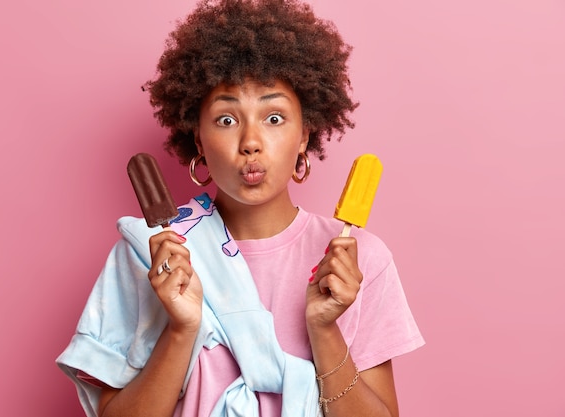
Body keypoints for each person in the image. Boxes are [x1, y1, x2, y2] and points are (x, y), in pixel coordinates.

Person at [57, 0, 424, 416]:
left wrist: (324, 332)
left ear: (304, 135)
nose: (250, 141)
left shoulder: (357, 263)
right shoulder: (149, 255)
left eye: (274, 118)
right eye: (227, 120)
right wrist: (182, 330)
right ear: (198, 139)